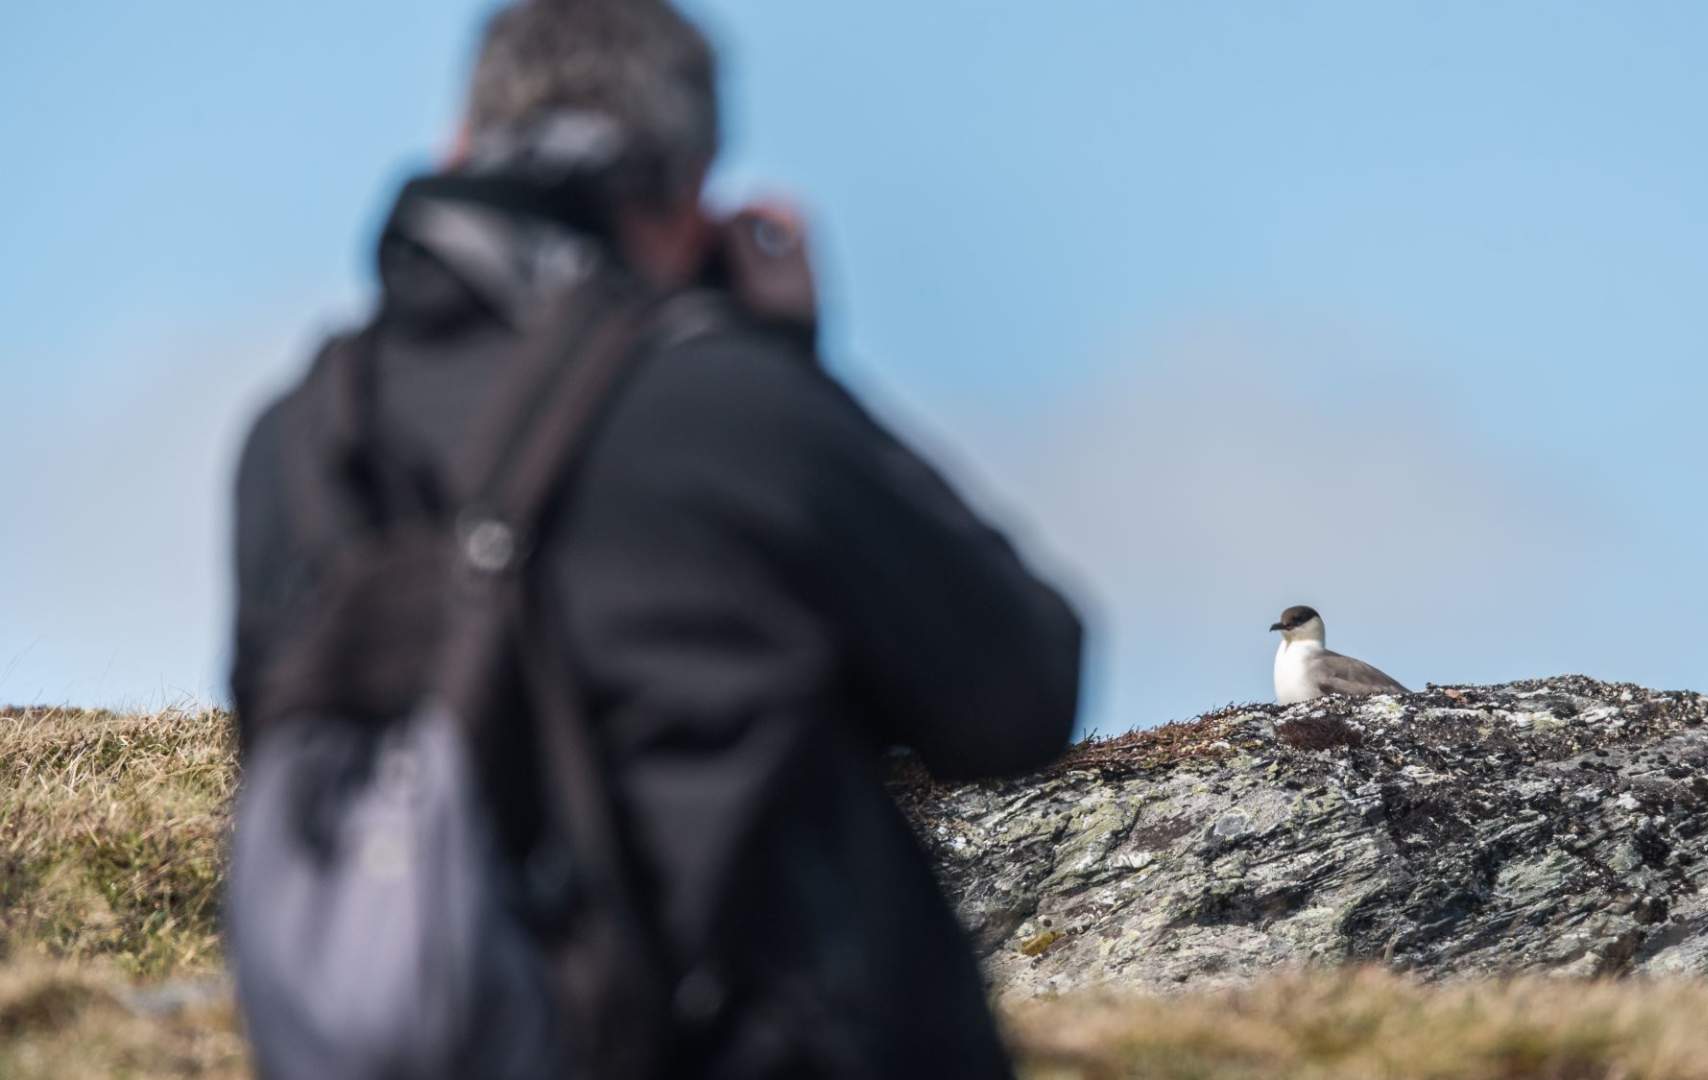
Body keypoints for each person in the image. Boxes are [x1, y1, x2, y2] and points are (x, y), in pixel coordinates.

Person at [227, 0, 1083, 1076]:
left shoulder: (302, 433)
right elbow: (1018, 689)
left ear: (459, 146)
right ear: (687, 196)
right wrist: (785, 364)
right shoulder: (729, 409)